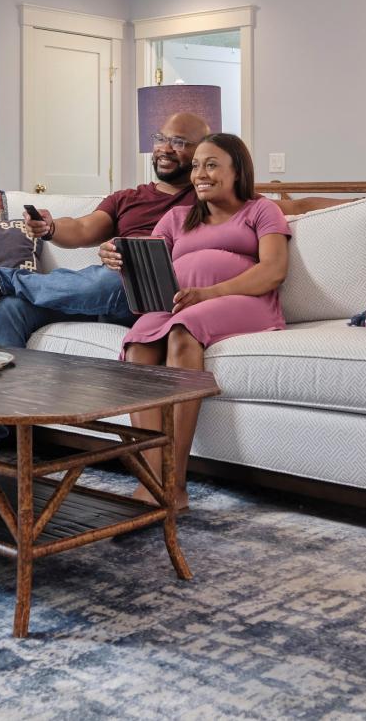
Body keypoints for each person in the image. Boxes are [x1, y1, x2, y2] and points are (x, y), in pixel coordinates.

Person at [0, 111, 212, 456]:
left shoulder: (207, 196)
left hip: (150, 298)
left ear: (201, 153)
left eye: (179, 142)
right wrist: (50, 229)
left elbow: (270, 206)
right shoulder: (128, 197)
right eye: (160, 138)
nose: (165, 148)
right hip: (102, 291)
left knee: (116, 278)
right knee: (14, 308)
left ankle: (3, 279)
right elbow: (81, 229)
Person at [117, 133, 291, 511]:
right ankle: (154, 480)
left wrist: (208, 294)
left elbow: (273, 271)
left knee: (183, 332)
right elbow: (149, 270)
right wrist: (118, 261)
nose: (199, 174)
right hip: (180, 303)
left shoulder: (261, 211)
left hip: (246, 301)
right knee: (140, 340)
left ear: (237, 171)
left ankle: (175, 482)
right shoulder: (176, 217)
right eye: (196, 165)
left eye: (211, 165)